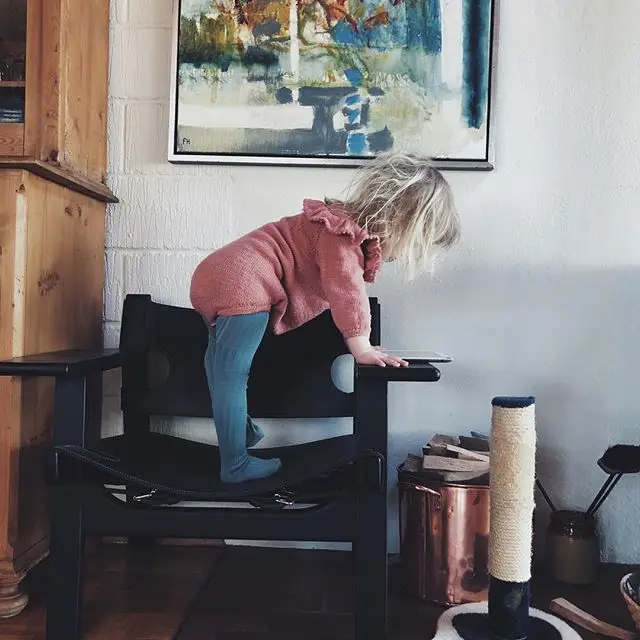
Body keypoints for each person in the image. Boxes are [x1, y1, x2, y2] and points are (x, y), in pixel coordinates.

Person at [190, 152, 460, 483]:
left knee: (219, 365)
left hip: (215, 273)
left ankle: (239, 431)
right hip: (243, 281)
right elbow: (347, 290)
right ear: (399, 220)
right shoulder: (341, 236)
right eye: (412, 243)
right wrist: (361, 346)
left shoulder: (334, 224)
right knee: (232, 373)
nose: (403, 253)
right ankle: (235, 464)